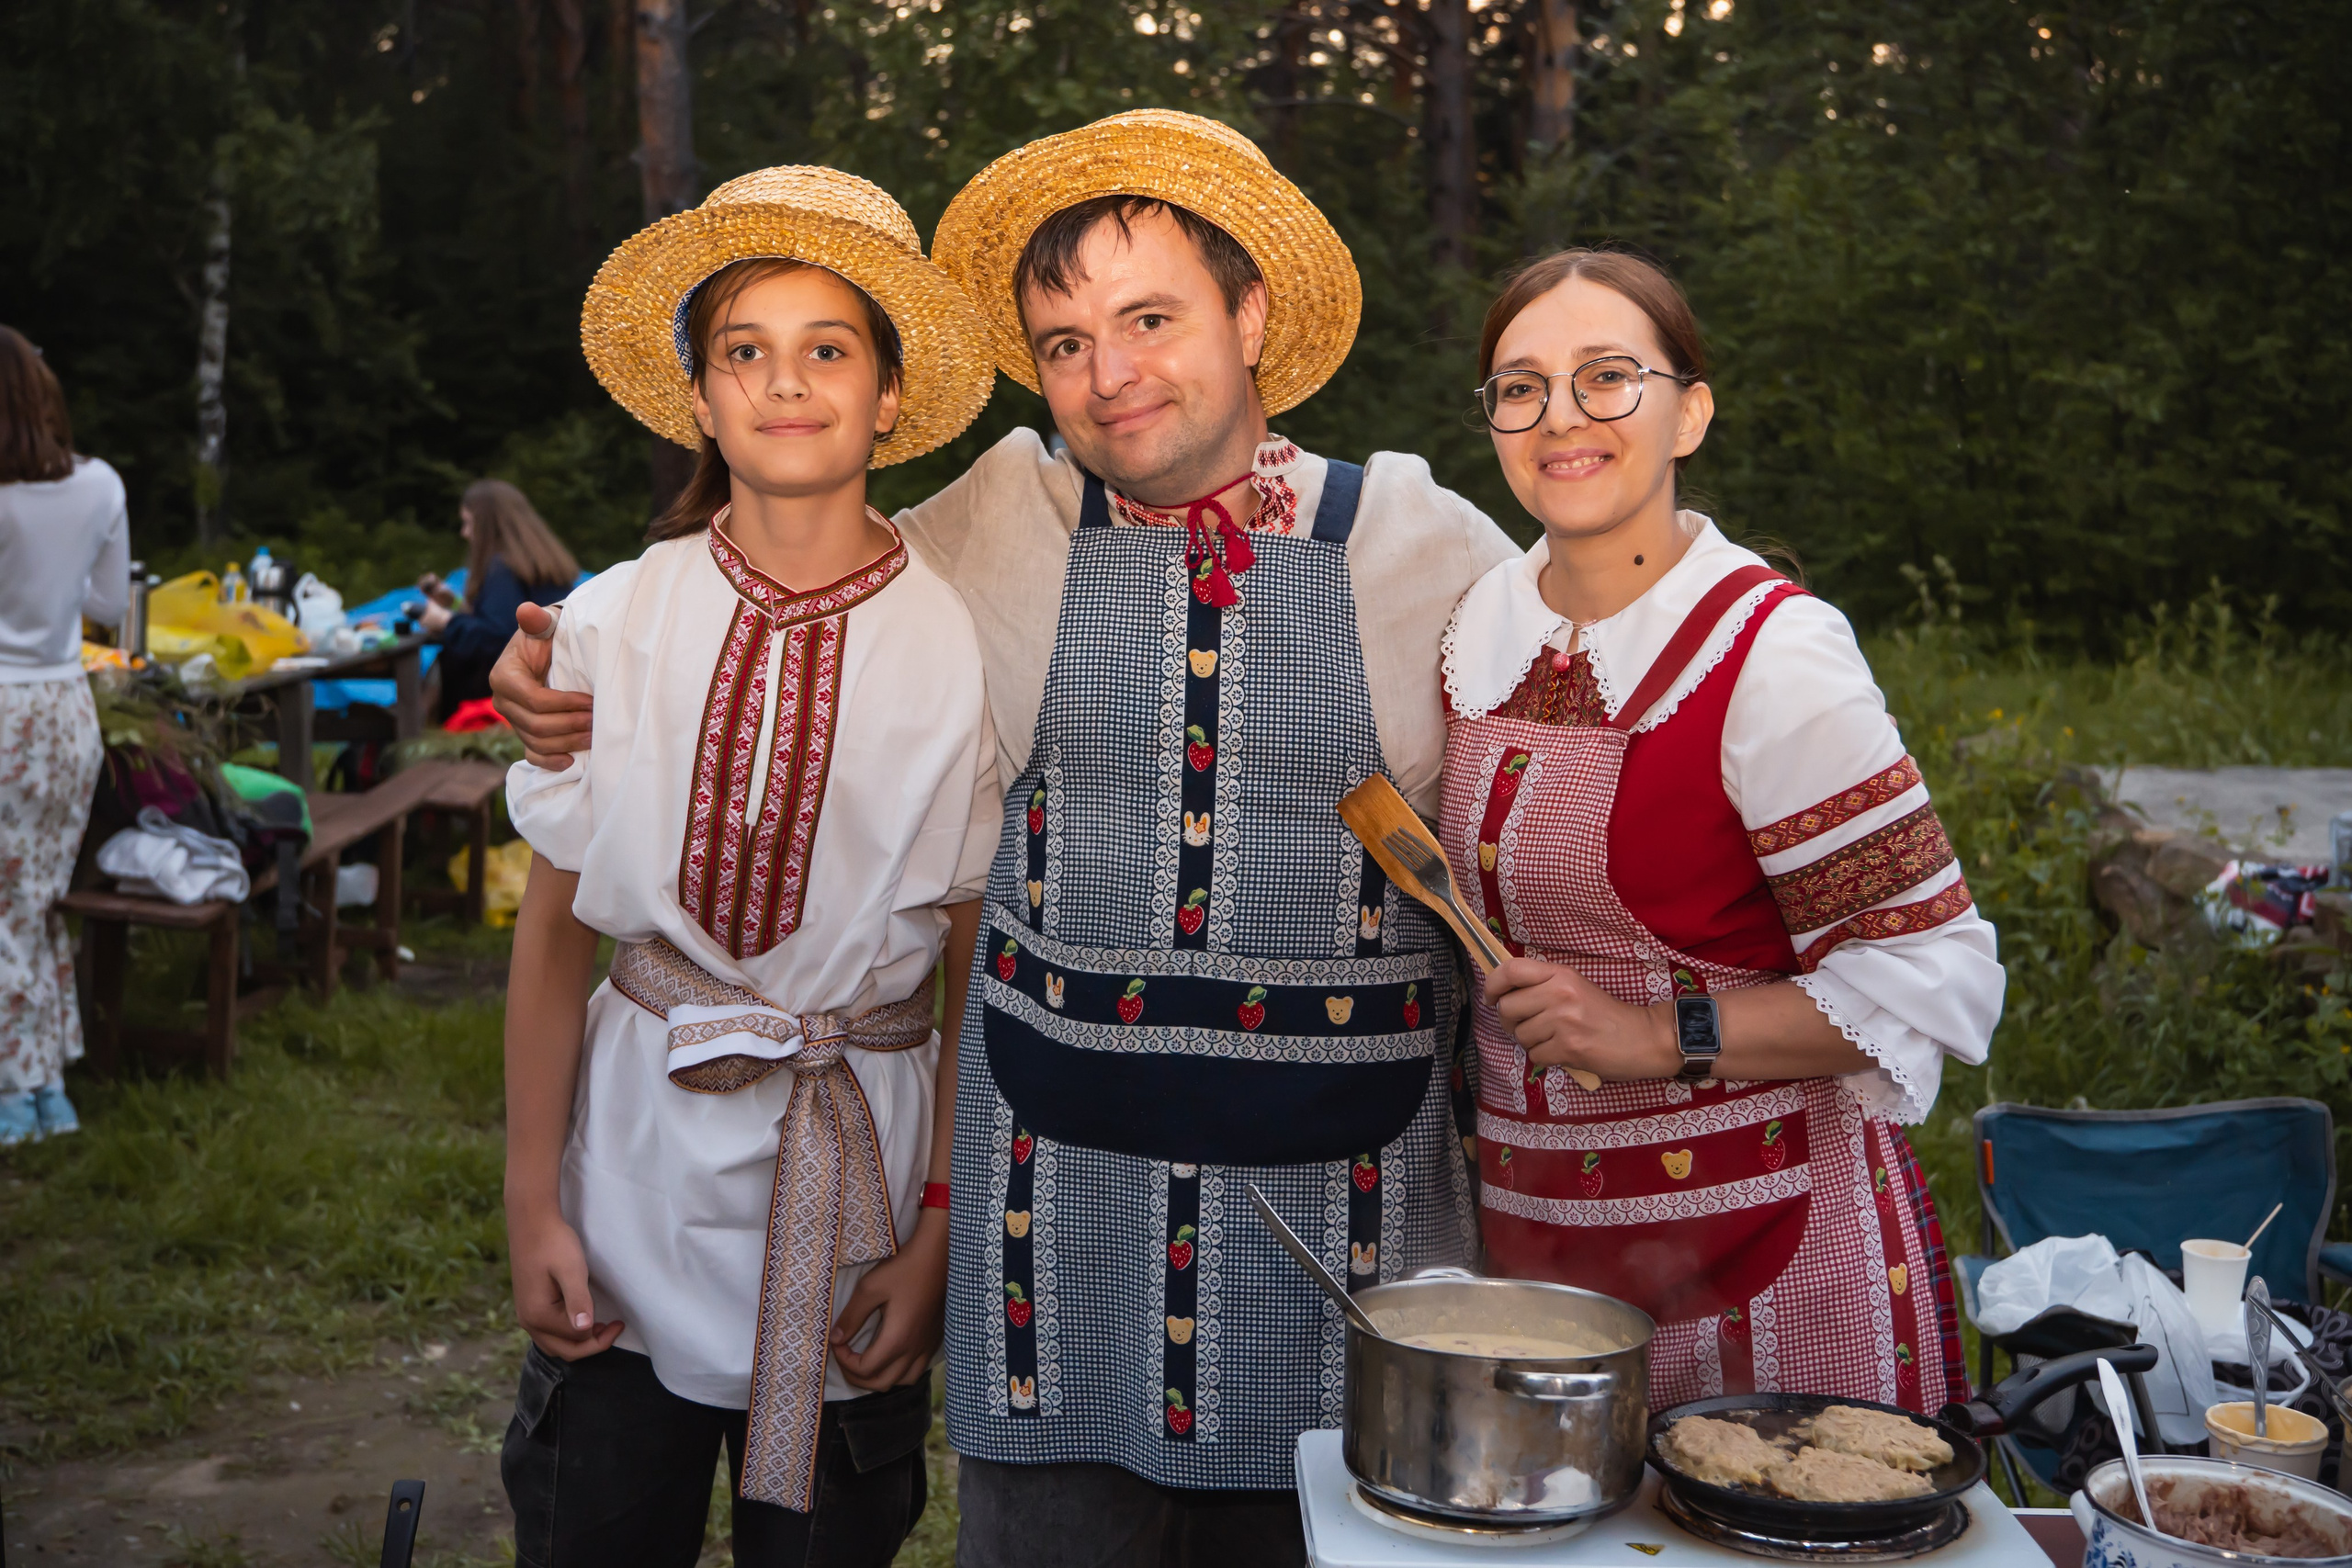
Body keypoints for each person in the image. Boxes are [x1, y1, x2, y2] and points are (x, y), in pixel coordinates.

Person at [491, 111, 1520, 1567]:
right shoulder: (993, 525)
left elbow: (1556, 779)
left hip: (1345, 1217)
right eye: (1062, 341)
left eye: (1150, 318)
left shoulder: (1437, 549)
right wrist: (560, 694)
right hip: (1063, 1221)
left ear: (1253, 314)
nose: (1110, 374)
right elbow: (796, 557)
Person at [494, 167, 1001, 1567]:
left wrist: (939, 1233)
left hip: (859, 1182)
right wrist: (534, 1198)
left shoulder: (961, 650)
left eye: (828, 348)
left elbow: (970, 966)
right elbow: (551, 935)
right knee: (598, 1526)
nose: (788, 383)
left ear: (890, 394)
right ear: (702, 399)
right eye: (746, 352)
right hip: (632, 1173)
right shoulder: (612, 620)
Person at [1439, 248, 2004, 1414]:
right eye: (1520, 386)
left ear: (1688, 412)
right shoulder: (1477, 626)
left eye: (1607, 378)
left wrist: (1651, 1034)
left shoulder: (1771, 654)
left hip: (1766, 1261)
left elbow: (1926, 977)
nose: (1560, 418)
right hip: (1542, 1253)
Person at [0, 325, 128, 1146]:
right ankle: (48, 1081)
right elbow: (110, 608)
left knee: (7, 909)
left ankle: (17, 1092)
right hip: (64, 709)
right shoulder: (100, 483)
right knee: (36, 901)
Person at [415, 478, 579, 720]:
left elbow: (498, 640)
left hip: (503, 700)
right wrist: (458, 606)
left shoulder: (502, 569)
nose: (465, 533)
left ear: (489, 526)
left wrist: (445, 621)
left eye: (469, 524)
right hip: (552, 680)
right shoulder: (539, 561)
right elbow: (511, 621)